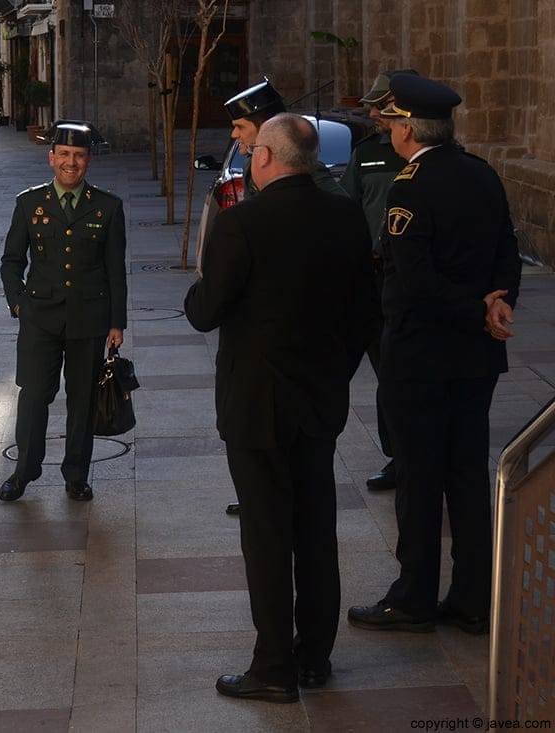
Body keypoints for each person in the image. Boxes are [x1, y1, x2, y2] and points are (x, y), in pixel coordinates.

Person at [184, 114, 375, 702]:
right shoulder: (345, 216)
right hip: (318, 399)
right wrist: (331, 375)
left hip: (255, 405)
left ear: (266, 157)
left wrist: (200, 282)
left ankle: (273, 668)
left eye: (252, 147)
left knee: (267, 534)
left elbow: (204, 310)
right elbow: (366, 314)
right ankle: (315, 655)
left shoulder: (243, 222)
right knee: (316, 527)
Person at [348, 74, 521, 636]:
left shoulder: (409, 186)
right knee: (467, 475)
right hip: (476, 356)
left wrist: (479, 309)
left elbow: (416, 283)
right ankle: (474, 598)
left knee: (420, 479)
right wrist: (496, 304)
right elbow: (507, 254)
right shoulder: (481, 173)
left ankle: (414, 596)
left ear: (404, 129)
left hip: (420, 357)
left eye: (390, 123)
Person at [214, 77, 348, 516]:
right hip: (284, 370)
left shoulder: (316, 186)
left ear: (264, 131)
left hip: (294, 364)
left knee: (296, 509)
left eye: (240, 127)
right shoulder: (256, 178)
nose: (235, 136)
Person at [0, 123, 128, 503]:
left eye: (80, 156)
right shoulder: (29, 203)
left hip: (89, 319)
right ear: (51, 158)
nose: (72, 163)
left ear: (88, 160)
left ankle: (76, 475)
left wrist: (116, 321)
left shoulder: (107, 206)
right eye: (65, 155)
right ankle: (24, 472)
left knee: (82, 401)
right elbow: (11, 261)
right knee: (34, 396)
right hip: (40, 318)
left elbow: (115, 269)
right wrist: (18, 301)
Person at [340, 69, 419, 493]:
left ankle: (420, 453)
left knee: (414, 371)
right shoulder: (366, 153)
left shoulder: (430, 157)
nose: (371, 112)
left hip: (418, 282)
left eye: (379, 106)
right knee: (386, 371)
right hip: (374, 280)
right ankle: (397, 456)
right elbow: (345, 208)